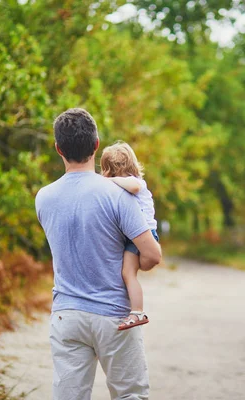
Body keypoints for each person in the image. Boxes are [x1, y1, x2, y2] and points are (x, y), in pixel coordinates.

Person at [35, 108, 162, 400]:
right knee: (130, 394)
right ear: (96, 144)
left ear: (58, 149)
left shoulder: (44, 198)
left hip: (67, 315)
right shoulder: (119, 196)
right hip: (115, 315)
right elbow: (152, 255)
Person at [100, 141, 158, 331]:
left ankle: (137, 311)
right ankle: (135, 310)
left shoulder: (136, 183)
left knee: (128, 273)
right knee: (127, 273)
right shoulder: (126, 185)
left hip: (144, 234)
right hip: (135, 235)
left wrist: (109, 181)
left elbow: (132, 187)